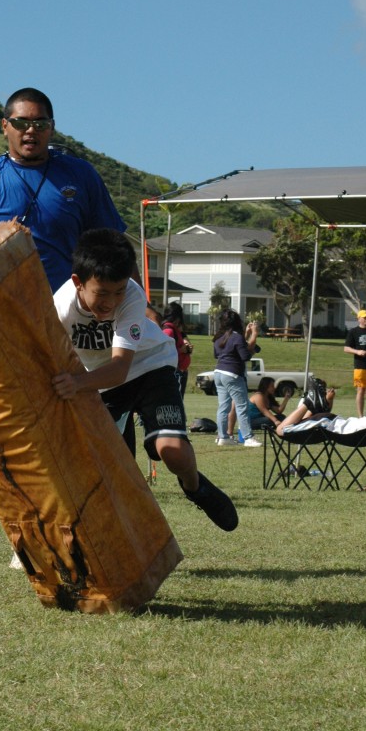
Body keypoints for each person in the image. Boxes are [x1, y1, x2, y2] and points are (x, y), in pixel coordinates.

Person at [51, 228, 238, 532]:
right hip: (100, 383)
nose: (111, 302)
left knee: (171, 449)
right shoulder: (58, 309)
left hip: (150, 365)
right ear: (78, 282)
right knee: (102, 469)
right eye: (102, 293)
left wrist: (75, 383)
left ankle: (194, 486)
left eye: (119, 291)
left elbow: (120, 368)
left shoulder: (132, 296)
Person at [0, 87, 130, 293]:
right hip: (3, 307)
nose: (31, 130)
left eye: (40, 124)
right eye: (21, 123)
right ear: (5, 126)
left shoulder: (81, 173)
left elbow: (114, 246)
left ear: (51, 127)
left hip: (69, 308)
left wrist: (139, 302)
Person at [212, 310, 262, 448]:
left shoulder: (218, 337)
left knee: (223, 407)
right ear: (237, 322)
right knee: (242, 406)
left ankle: (223, 437)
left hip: (218, 373)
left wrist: (246, 335)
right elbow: (245, 356)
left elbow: (218, 354)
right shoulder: (236, 337)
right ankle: (248, 438)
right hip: (232, 374)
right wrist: (254, 335)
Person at [161, 301, 193, 398]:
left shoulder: (176, 330)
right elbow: (164, 352)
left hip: (180, 371)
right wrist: (181, 350)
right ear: (177, 318)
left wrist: (187, 348)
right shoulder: (168, 331)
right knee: (175, 402)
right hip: (175, 372)